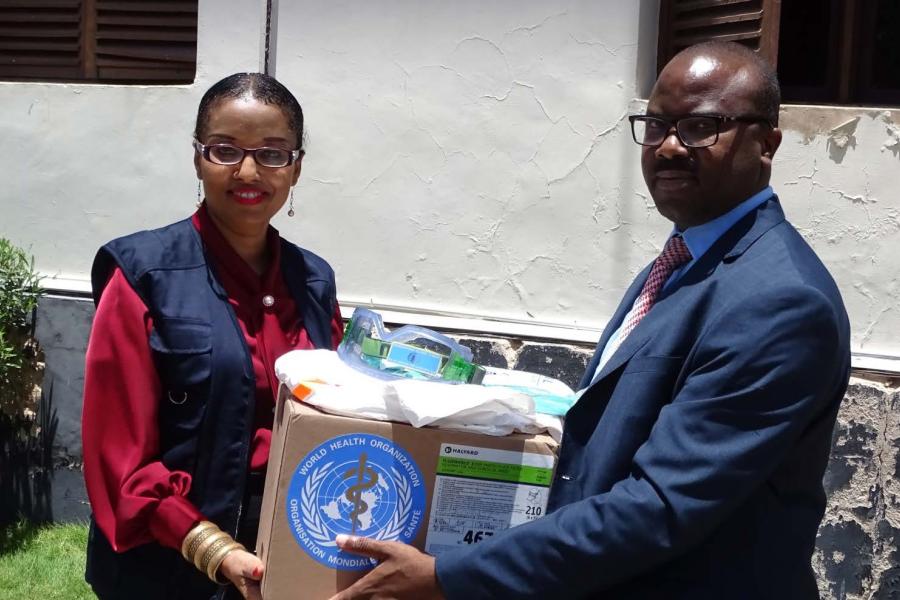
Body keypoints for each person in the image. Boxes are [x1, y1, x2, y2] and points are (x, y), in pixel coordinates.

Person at [328, 41, 851, 600]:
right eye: (656, 125)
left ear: (767, 142)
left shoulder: (779, 303)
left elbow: (659, 507)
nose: (670, 147)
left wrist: (446, 577)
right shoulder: (688, 258)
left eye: (701, 127)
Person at [82, 73, 344, 600]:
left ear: (295, 167)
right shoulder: (142, 275)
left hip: (284, 557)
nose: (248, 171)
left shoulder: (313, 282)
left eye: (272, 154)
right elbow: (118, 457)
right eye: (225, 150)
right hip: (165, 568)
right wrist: (214, 549)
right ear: (198, 158)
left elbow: (332, 421)